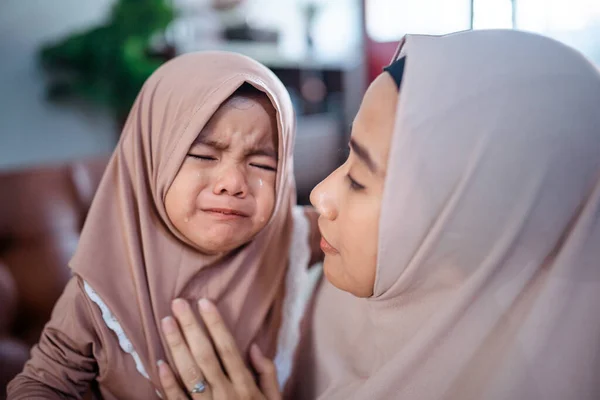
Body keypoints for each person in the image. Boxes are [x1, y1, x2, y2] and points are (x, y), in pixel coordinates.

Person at [155, 29, 600, 400]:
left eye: (360, 179)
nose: (322, 195)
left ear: (474, 218)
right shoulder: (333, 304)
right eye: (346, 157)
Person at [8, 51, 321, 399]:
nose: (232, 182)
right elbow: (39, 386)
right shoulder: (98, 295)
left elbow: (381, 225)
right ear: (151, 160)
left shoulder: (291, 238)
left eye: (262, 163)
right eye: (204, 156)